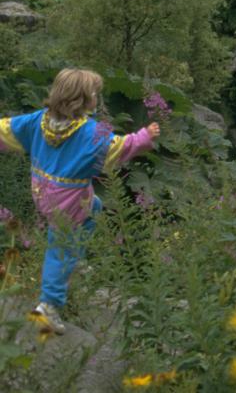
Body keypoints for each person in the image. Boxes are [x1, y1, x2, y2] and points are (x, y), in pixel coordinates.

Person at [0, 68, 159, 334]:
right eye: (95, 94)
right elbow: (117, 148)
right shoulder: (91, 131)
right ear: (84, 99)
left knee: (94, 207)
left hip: (44, 190)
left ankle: (76, 259)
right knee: (60, 249)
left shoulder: (39, 120)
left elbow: (5, 129)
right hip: (69, 199)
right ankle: (48, 307)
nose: (98, 98)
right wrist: (145, 136)